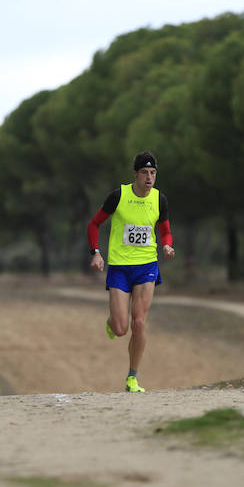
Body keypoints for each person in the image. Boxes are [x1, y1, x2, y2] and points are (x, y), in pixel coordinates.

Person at [87, 151, 175, 393]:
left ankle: (132, 378)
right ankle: (112, 322)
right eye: (145, 173)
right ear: (135, 174)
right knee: (120, 328)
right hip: (119, 267)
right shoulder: (118, 196)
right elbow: (94, 224)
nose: (149, 178)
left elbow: (165, 230)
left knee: (138, 322)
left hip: (147, 266)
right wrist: (96, 252)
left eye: (153, 173)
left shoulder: (160, 200)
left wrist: (167, 244)